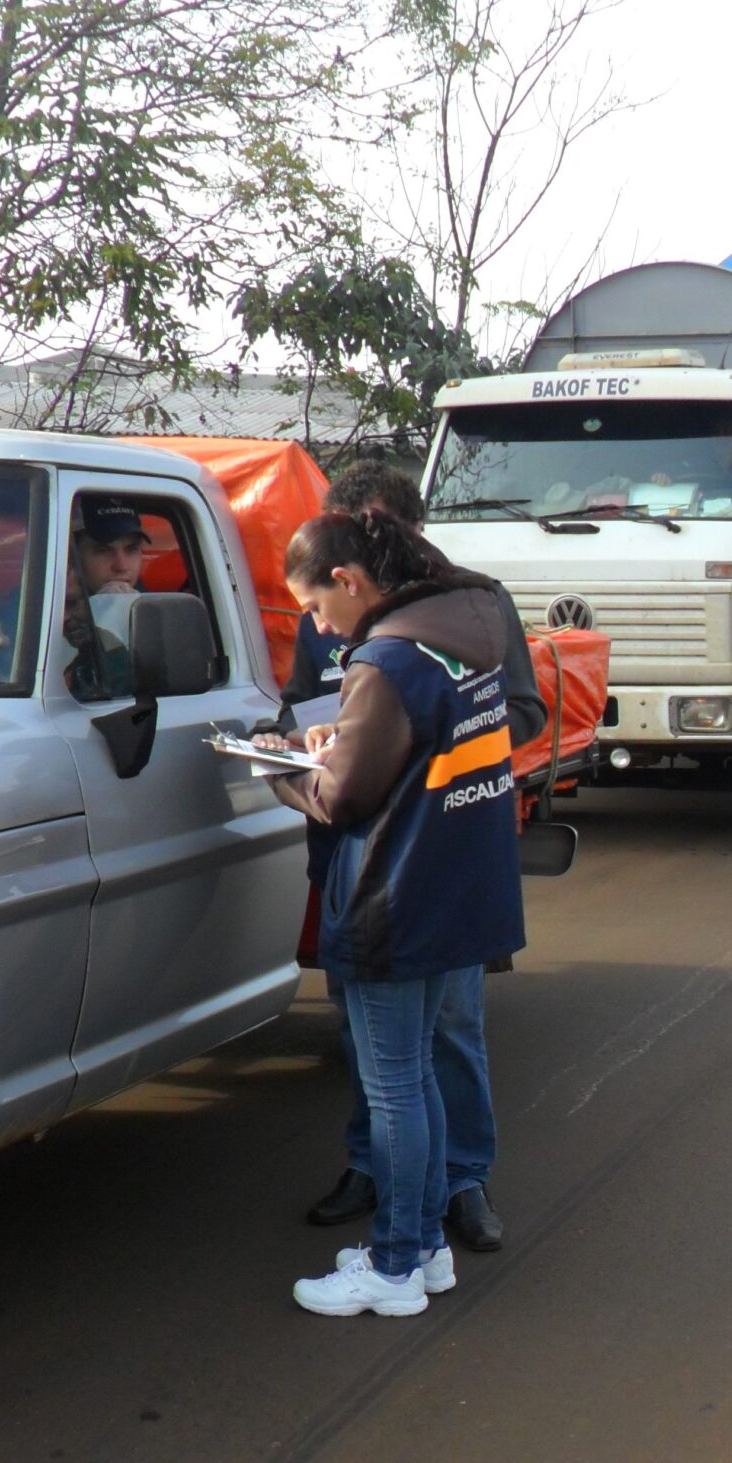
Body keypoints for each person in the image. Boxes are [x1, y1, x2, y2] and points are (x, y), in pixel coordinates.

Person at [277, 464, 542, 1255]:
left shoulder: (476, 609)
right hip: (355, 855)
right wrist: (324, 734)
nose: (324, 623)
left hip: (425, 850)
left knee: (446, 1034)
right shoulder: (331, 625)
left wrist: (410, 747)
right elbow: (301, 701)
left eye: (374, 528)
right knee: (372, 1046)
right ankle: (382, 1178)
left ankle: (455, 1187)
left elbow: (519, 713)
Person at [0, 497, 150, 680]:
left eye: (131, 549)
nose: (121, 565)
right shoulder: (32, 600)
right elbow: (14, 678)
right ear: (74, 554)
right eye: (103, 551)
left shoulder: (155, 609)